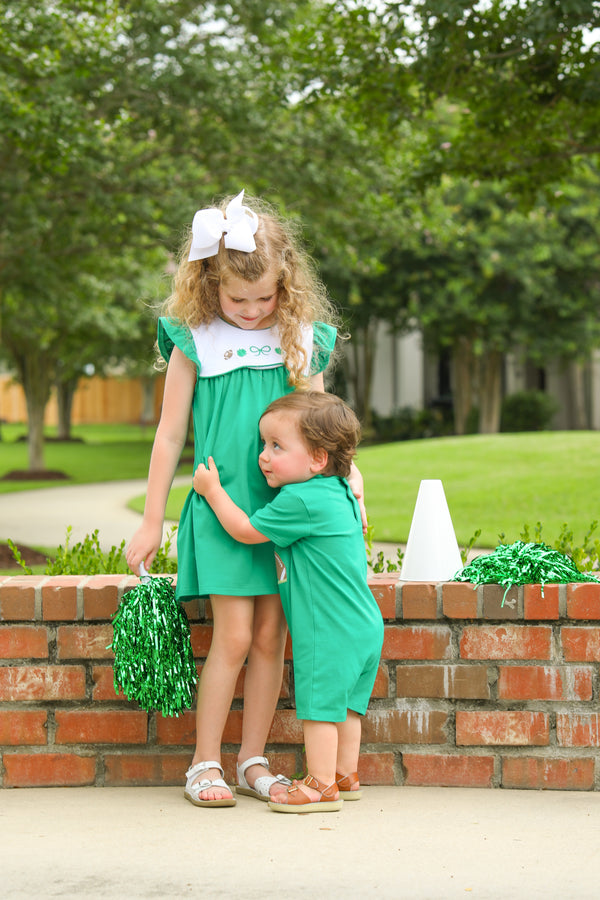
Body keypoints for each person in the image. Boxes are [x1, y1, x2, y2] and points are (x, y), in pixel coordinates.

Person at [126, 190, 365, 808]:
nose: (254, 310)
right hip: (224, 508)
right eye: (239, 299)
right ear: (210, 283)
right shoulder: (194, 340)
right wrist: (152, 520)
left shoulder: (298, 339)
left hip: (287, 517)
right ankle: (204, 762)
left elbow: (323, 423)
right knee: (232, 637)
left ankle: (251, 760)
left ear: (285, 286)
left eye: (267, 298)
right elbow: (169, 434)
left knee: (270, 641)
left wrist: (349, 479)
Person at [193, 391, 384, 813]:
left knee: (318, 708)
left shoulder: (301, 499)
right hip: (364, 624)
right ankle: (343, 776)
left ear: (317, 459)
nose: (263, 456)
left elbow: (244, 530)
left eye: (276, 447)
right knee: (346, 708)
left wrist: (212, 491)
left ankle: (318, 786)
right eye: (264, 444)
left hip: (328, 628)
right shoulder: (340, 490)